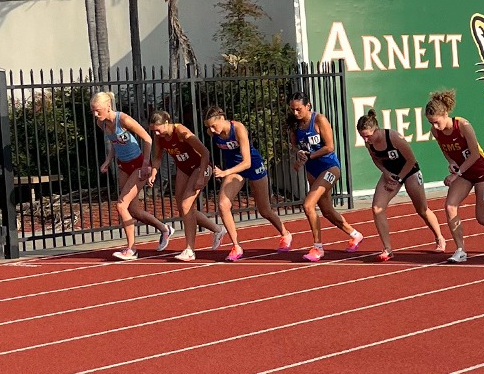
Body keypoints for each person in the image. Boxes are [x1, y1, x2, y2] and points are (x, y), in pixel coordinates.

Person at [425, 89, 484, 263]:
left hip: (482, 171)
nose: (435, 127)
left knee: (482, 217)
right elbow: (446, 152)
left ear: (445, 114)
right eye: (431, 123)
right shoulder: (436, 132)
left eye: (436, 122)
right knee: (450, 206)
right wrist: (451, 162)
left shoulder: (463, 126)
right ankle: (460, 250)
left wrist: (456, 173)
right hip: (464, 173)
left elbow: (474, 154)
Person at [90, 92, 171, 261]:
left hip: (138, 164)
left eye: (98, 110)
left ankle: (131, 249)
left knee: (121, 205)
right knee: (133, 210)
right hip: (123, 165)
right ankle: (164, 228)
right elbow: (114, 143)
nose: (95, 114)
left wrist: (145, 164)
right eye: (93, 111)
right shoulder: (101, 123)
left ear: (108, 106)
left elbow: (148, 139)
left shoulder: (123, 119)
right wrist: (108, 160)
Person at [204, 106, 292, 261]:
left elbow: (246, 162)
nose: (211, 130)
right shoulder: (212, 132)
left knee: (264, 210)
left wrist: (225, 172)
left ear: (221, 118)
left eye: (213, 125)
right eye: (208, 127)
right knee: (223, 204)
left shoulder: (238, 129)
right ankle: (236, 246)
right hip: (234, 171)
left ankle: (285, 233)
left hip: (252, 166)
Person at [357, 112, 448, 262]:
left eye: (368, 136)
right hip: (391, 173)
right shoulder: (369, 143)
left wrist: (399, 179)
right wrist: (386, 173)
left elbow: (411, 160)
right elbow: (376, 159)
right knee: (377, 208)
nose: (366, 140)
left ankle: (439, 237)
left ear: (377, 130)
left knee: (422, 209)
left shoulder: (392, 137)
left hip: (409, 171)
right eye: (363, 137)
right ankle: (387, 248)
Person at [288, 93, 362, 261]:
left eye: (298, 109)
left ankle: (318, 247)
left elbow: (329, 147)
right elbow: (293, 145)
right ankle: (355, 234)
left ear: (308, 106)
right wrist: (298, 153)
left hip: (329, 167)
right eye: (292, 109)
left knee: (308, 205)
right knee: (327, 210)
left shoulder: (319, 120)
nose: (295, 113)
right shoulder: (294, 125)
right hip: (312, 170)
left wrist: (311, 155)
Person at [148, 109, 226, 262]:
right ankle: (218, 229)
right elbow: (157, 157)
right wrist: (153, 172)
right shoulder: (160, 137)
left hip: (200, 166)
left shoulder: (181, 132)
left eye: (157, 130)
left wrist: (202, 175)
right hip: (184, 169)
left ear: (166, 123)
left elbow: (205, 153)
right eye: (153, 131)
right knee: (184, 208)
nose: (156, 134)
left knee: (186, 205)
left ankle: (190, 249)